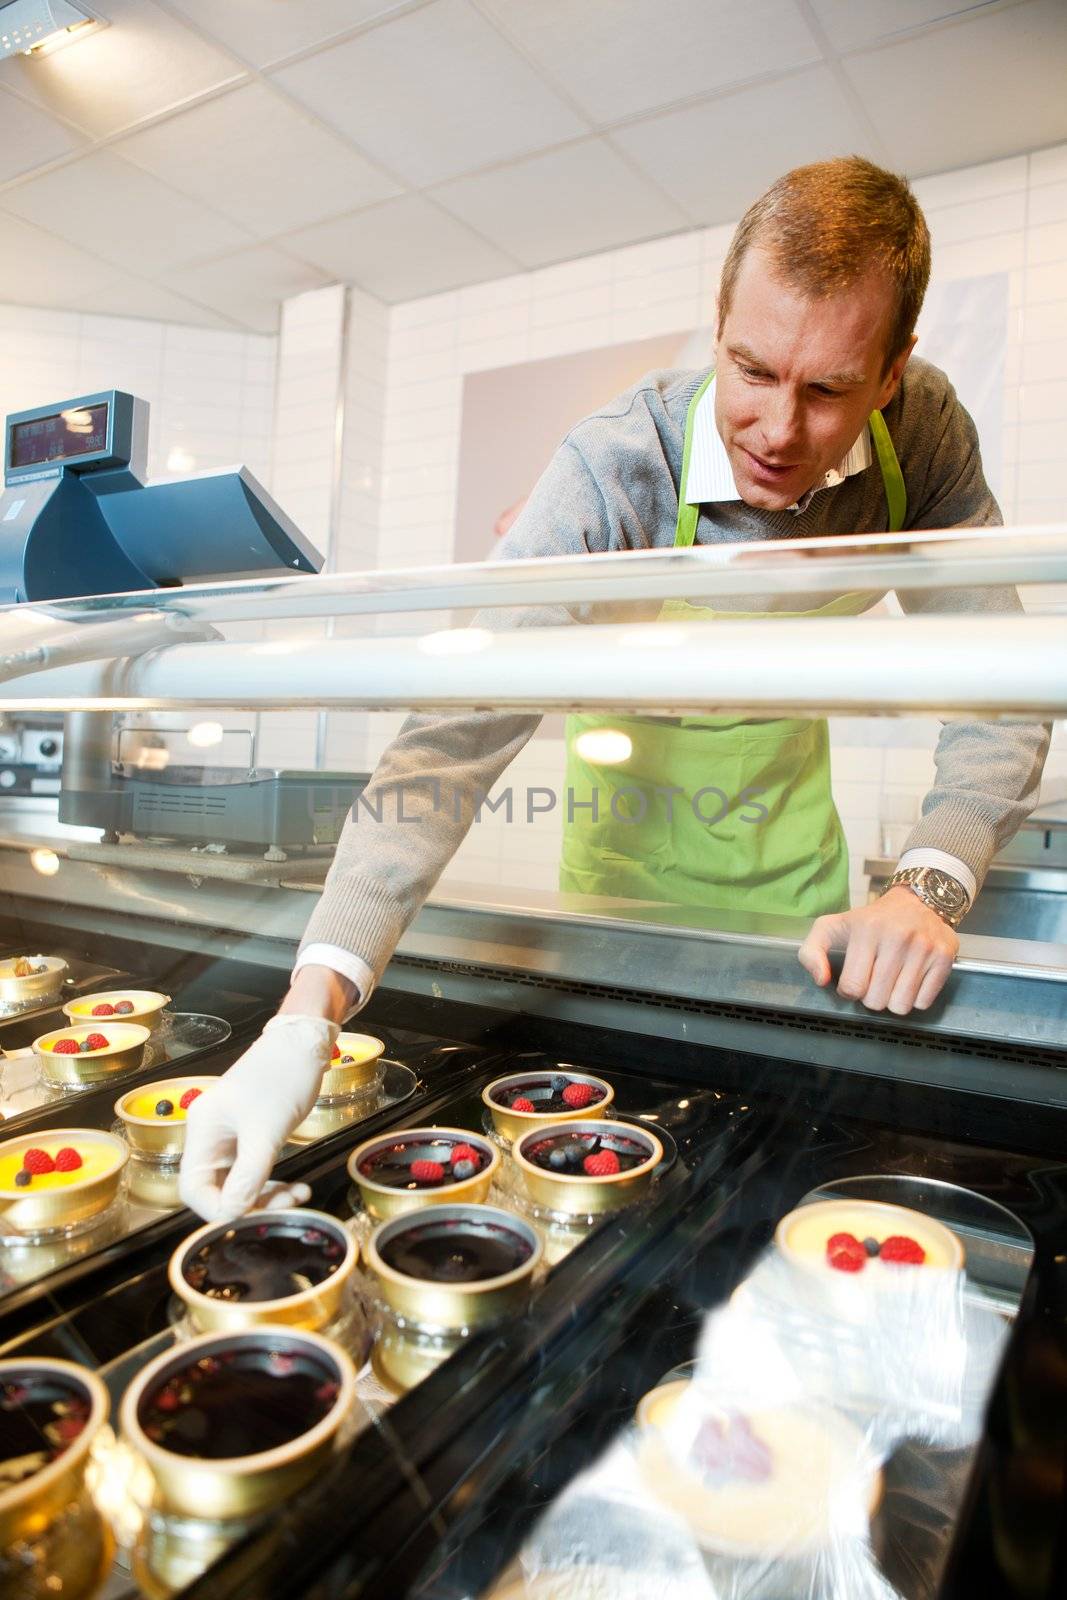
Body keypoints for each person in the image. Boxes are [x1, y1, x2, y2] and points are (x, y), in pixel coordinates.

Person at [180, 156, 1049, 1223]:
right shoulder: (610, 470)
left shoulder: (921, 436)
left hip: (793, 871)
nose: (778, 430)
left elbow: (999, 680)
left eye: (825, 390)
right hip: (619, 859)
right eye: (750, 370)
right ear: (717, 321)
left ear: (890, 372)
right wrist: (305, 1015)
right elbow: (451, 733)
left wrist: (929, 881)